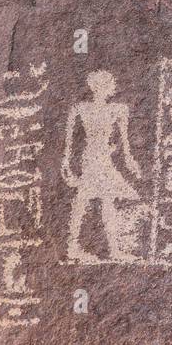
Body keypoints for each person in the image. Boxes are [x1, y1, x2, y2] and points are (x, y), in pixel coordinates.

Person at [62, 71, 143, 262]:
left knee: (97, 200)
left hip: (98, 158)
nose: (114, 87)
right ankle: (78, 247)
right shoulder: (89, 109)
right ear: (104, 87)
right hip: (94, 159)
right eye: (111, 84)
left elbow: (124, 146)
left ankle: (103, 248)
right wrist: (66, 163)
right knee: (88, 199)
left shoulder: (101, 109)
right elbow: (71, 141)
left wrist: (130, 163)